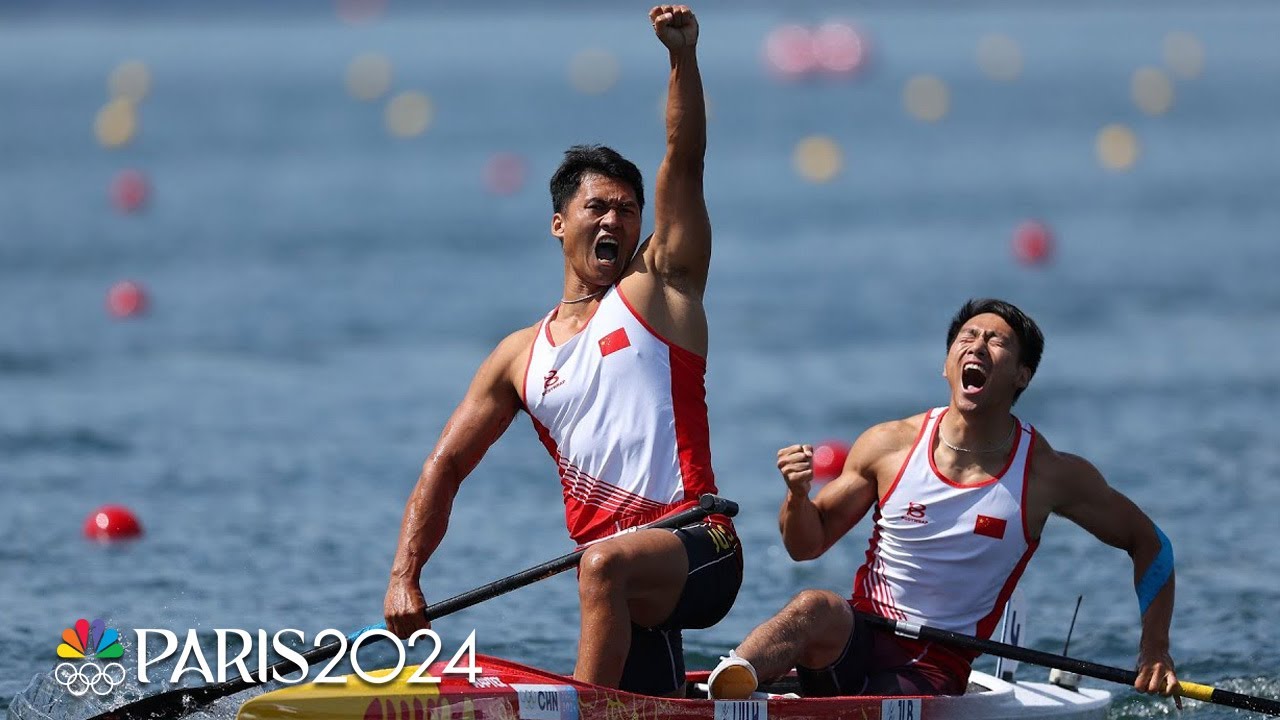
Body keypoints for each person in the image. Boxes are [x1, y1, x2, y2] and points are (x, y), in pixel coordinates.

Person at [383, 5, 741, 697]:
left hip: (702, 545)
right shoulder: (519, 355)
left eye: (628, 210)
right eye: (598, 207)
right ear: (558, 224)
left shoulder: (659, 289)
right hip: (622, 578)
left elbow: (686, 161)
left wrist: (682, 58)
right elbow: (447, 464)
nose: (616, 220)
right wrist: (405, 575)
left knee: (599, 567)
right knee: (639, 687)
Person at [707, 298, 1179, 701]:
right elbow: (804, 545)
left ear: (1022, 375)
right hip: (858, 639)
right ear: (948, 363)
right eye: (967, 336)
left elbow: (1150, 543)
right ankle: (727, 685)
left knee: (882, 699)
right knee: (815, 605)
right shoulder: (889, 444)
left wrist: (1154, 648)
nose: (977, 345)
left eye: (997, 341)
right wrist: (796, 496)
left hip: (934, 669)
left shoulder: (1048, 474)